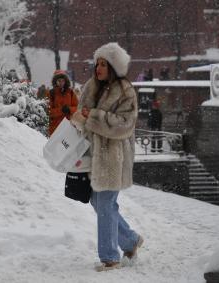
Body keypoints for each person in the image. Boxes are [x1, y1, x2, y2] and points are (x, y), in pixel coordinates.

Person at [70, 42, 143, 272]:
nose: (98, 68)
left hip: (114, 157)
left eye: (104, 64)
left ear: (113, 66)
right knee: (99, 202)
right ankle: (130, 241)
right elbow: (82, 117)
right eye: (97, 63)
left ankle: (110, 257)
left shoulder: (126, 91)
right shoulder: (91, 86)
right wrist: (81, 118)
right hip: (93, 156)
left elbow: (125, 125)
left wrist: (93, 117)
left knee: (104, 205)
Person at [47, 69, 78, 136]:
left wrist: (69, 109)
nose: (61, 83)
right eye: (59, 81)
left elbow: (77, 107)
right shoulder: (51, 93)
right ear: (55, 81)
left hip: (68, 126)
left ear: (65, 81)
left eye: (63, 80)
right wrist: (61, 110)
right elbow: (48, 112)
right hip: (55, 128)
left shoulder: (70, 92)